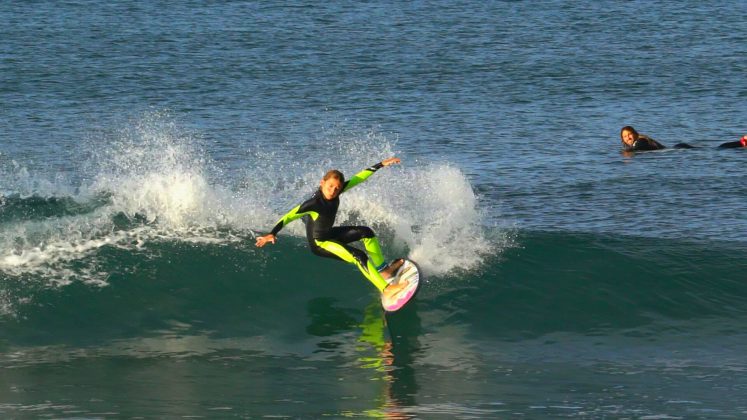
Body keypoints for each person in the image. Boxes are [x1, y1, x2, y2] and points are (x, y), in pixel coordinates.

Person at [255, 157, 408, 300]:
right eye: (330, 186)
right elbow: (289, 216)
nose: (333, 191)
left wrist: (381, 164)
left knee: (366, 232)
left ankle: (384, 271)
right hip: (320, 243)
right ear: (322, 183)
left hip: (329, 234)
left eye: (337, 188)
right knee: (359, 255)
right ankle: (386, 289)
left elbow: (359, 178)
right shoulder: (313, 203)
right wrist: (272, 233)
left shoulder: (337, 192)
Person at [620, 126, 694, 151]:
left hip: (679, 148)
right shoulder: (636, 143)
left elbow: (636, 148)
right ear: (622, 139)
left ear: (635, 134)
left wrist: (626, 152)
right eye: (625, 136)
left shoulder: (640, 140)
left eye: (630, 134)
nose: (628, 138)